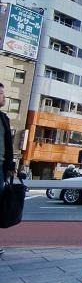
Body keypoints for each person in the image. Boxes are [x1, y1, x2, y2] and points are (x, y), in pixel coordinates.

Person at [0, 82, 16, 255]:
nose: (4, 97)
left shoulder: (3, 118)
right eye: (1, 93)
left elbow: (8, 145)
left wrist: (10, 165)